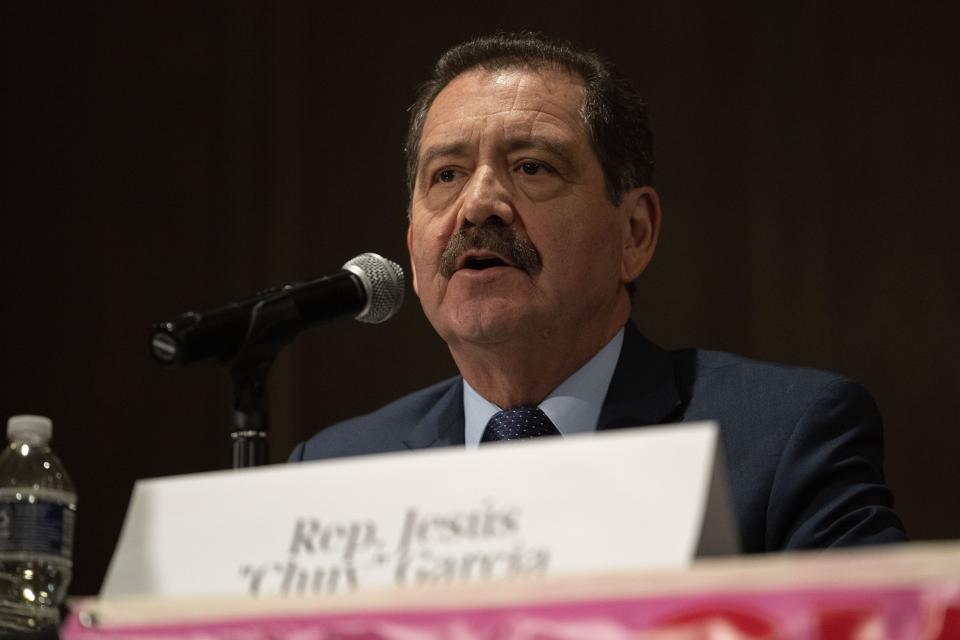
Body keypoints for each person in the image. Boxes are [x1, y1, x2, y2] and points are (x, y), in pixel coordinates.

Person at [289, 32, 906, 552]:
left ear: (633, 233)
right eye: (446, 176)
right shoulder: (335, 471)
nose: (478, 204)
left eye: (532, 167)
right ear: (412, 250)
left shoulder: (783, 439)